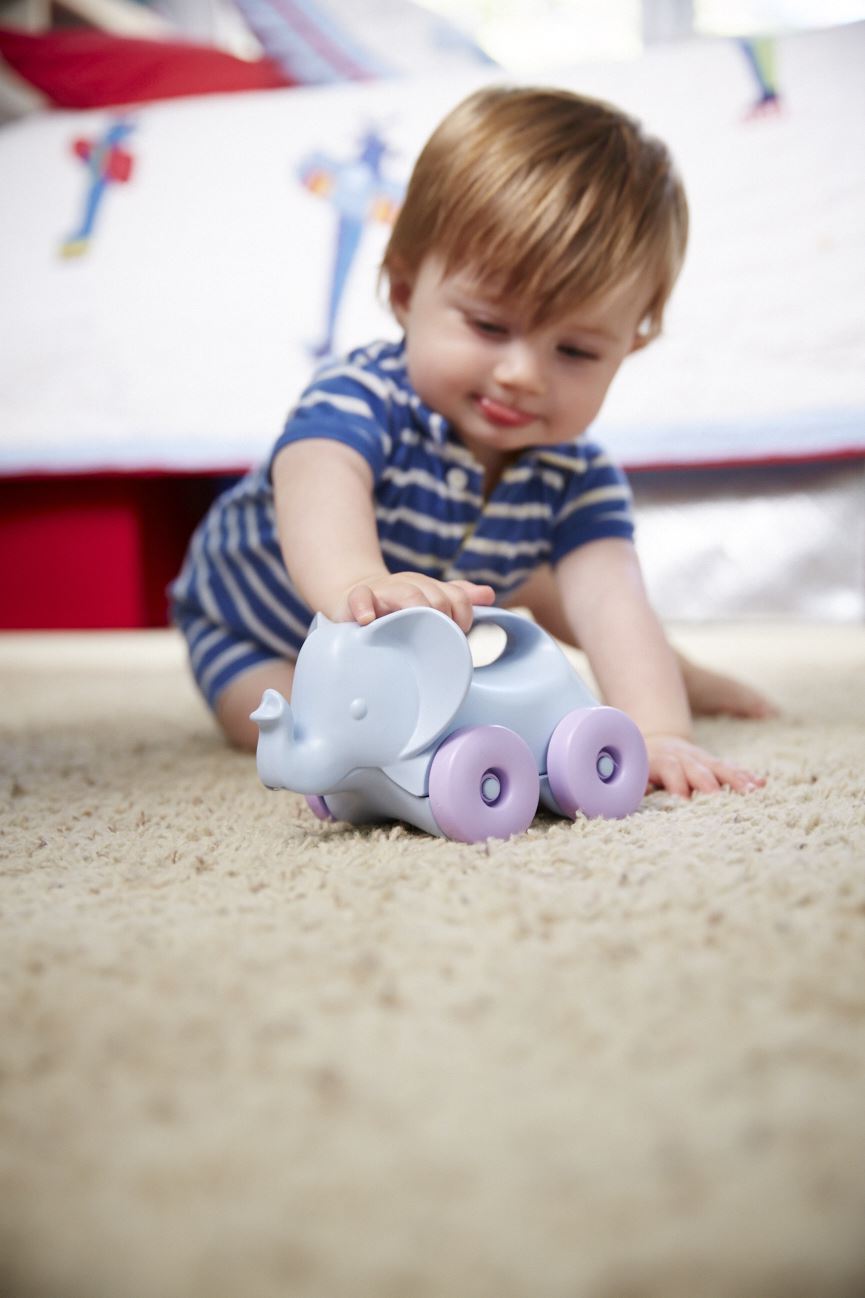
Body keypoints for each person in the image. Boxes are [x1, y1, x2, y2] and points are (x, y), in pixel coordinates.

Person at [171, 85, 772, 799]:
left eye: (575, 351)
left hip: (440, 586)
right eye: (489, 327)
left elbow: (610, 599)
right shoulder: (361, 396)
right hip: (255, 629)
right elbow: (315, 487)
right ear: (402, 291)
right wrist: (361, 585)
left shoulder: (578, 476)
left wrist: (655, 731)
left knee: (569, 590)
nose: (522, 375)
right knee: (317, 731)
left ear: (628, 348)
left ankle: (671, 676)